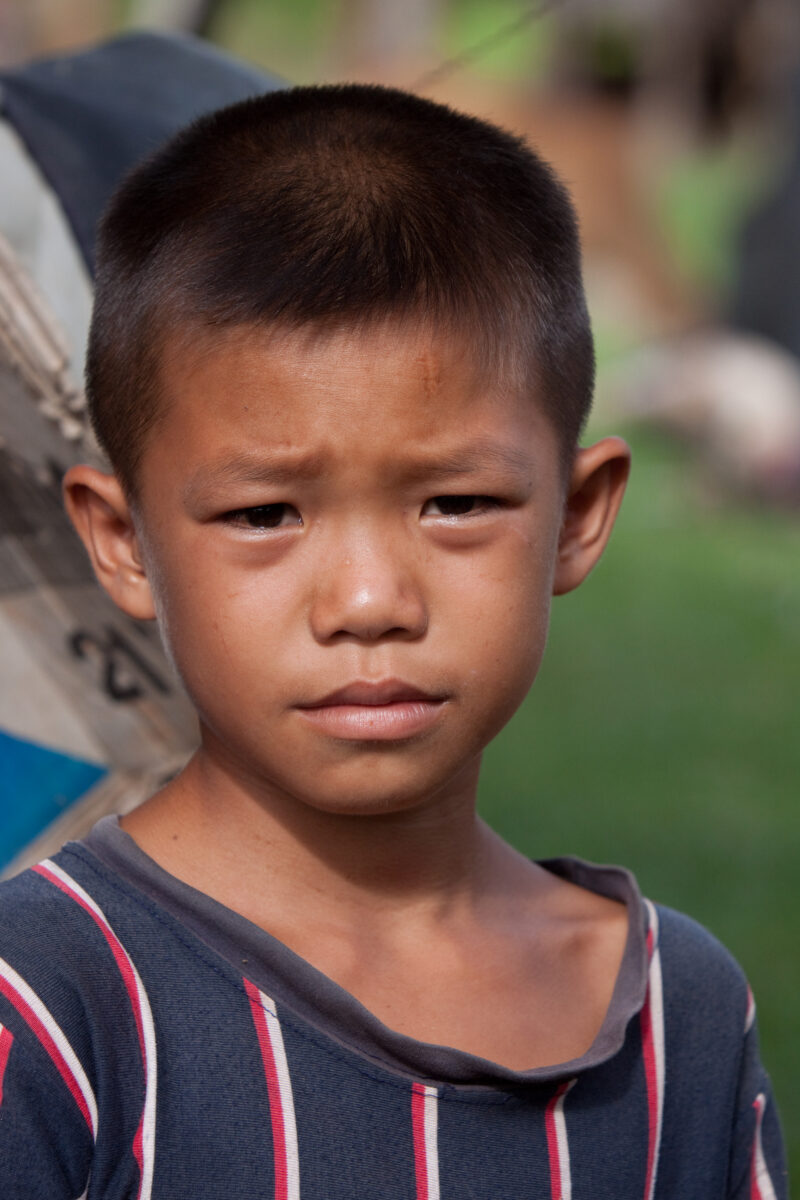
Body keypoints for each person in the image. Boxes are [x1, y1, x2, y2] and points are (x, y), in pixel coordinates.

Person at [0, 84, 786, 1198]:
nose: (368, 600)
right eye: (265, 515)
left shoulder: (678, 1016)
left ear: (579, 515)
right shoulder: (49, 1001)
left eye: (454, 504)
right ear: (122, 542)